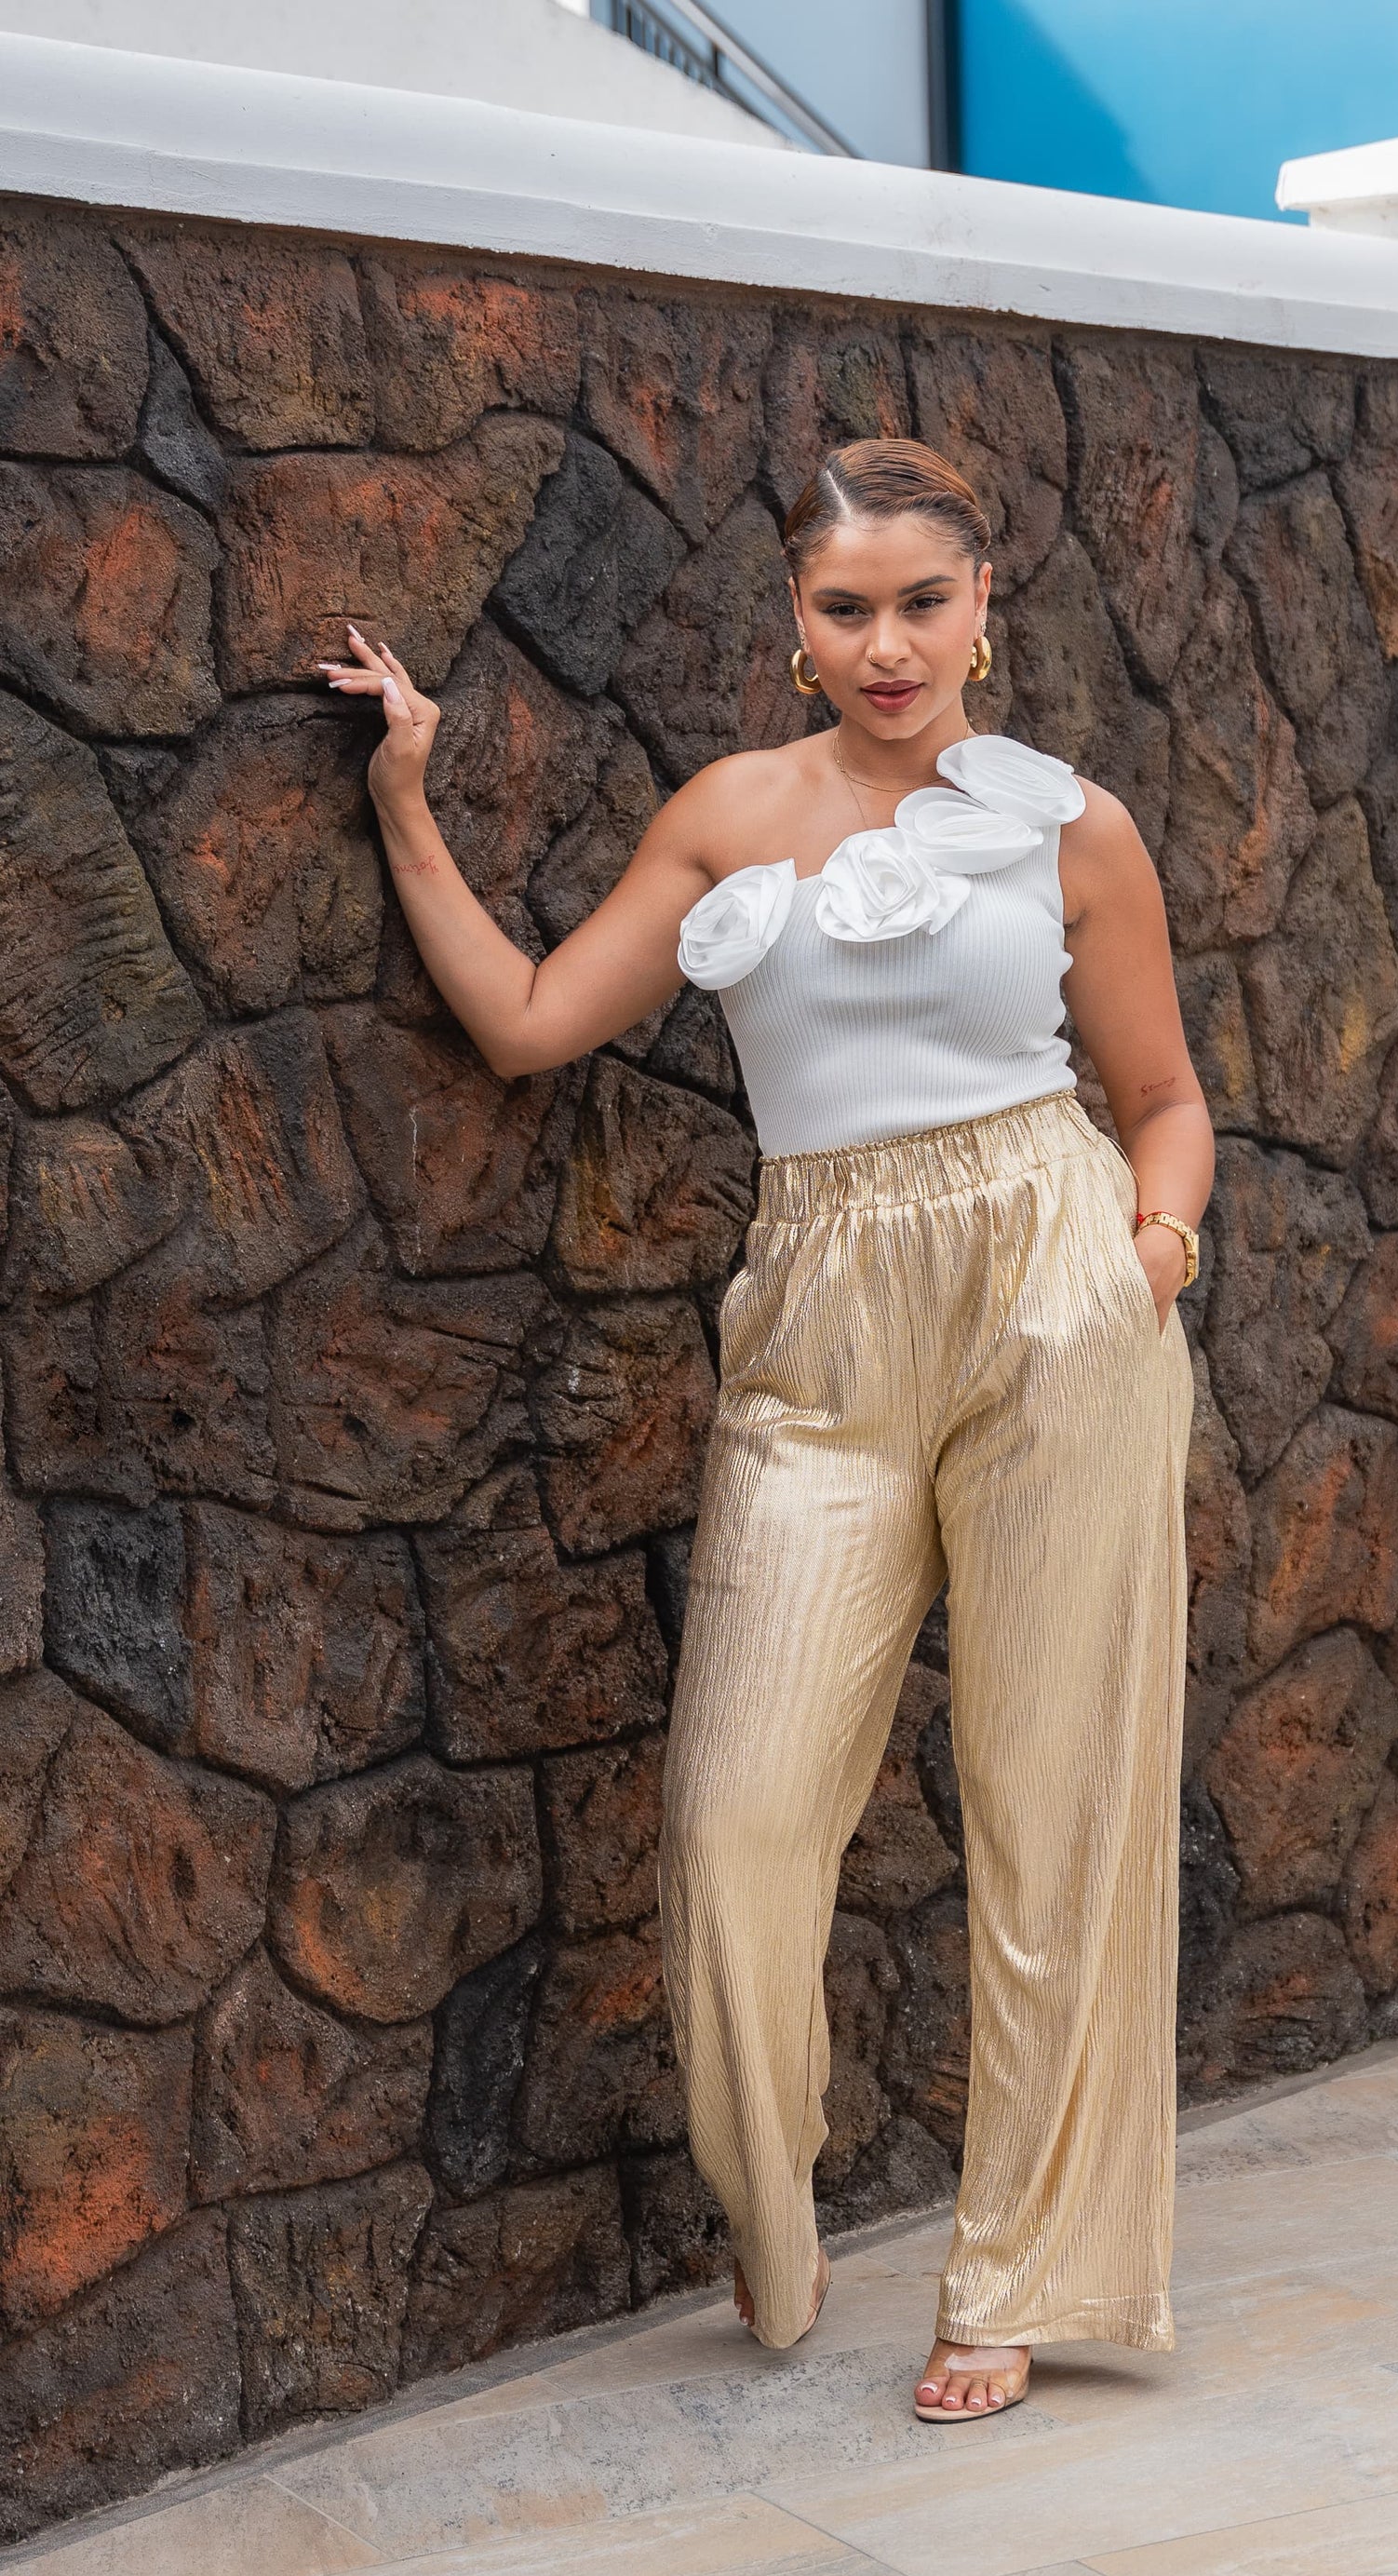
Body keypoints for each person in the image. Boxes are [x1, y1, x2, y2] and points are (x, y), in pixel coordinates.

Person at [321, 437, 1214, 2424]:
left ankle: (1018, 2273)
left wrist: (1146, 1254)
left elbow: (1162, 1098)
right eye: (845, 607)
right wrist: (403, 801)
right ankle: (775, 2215)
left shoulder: (1072, 828)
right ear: (794, 623)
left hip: (1056, 1290)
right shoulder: (729, 814)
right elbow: (529, 1021)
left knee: (1054, 1804)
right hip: (819, 1313)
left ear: (984, 607)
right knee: (733, 1816)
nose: (886, 644)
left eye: (921, 602)